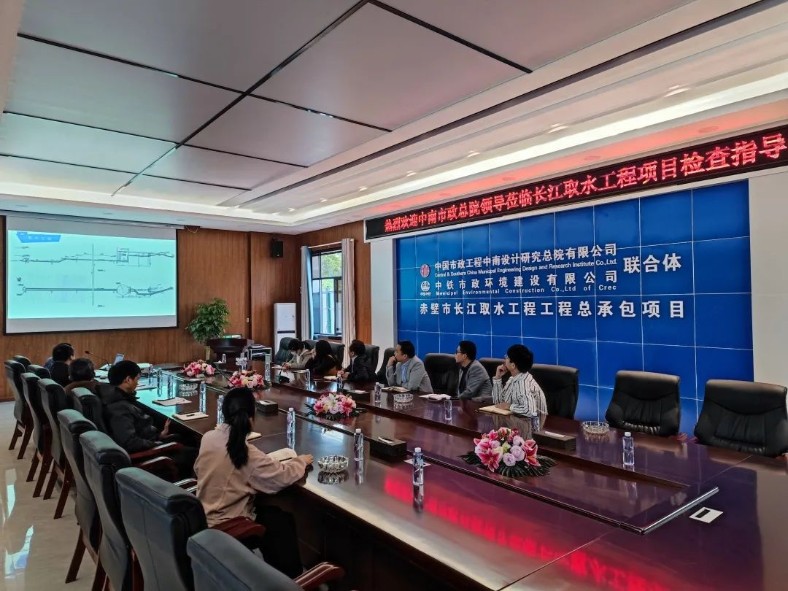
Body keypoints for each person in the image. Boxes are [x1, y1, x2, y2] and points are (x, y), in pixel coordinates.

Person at [195, 388, 313, 578]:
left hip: (204, 518)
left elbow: (199, 469)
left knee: (275, 516)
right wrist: (301, 461)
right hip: (227, 527)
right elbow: (282, 477)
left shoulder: (208, 438)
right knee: (280, 524)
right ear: (251, 418)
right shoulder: (245, 453)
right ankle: (293, 582)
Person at [99, 360, 197, 478]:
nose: (137, 383)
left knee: (185, 438)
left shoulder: (115, 397)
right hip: (146, 456)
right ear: (128, 380)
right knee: (195, 453)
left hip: (148, 441)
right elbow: (130, 443)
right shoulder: (118, 407)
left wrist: (159, 436)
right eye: (137, 379)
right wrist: (156, 442)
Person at [492, 345, 548, 417]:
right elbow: (499, 404)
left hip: (535, 422)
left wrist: (509, 406)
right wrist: (498, 378)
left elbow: (530, 411)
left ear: (513, 365)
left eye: (507, 357)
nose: (504, 359)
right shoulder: (513, 379)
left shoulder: (523, 383)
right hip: (518, 420)